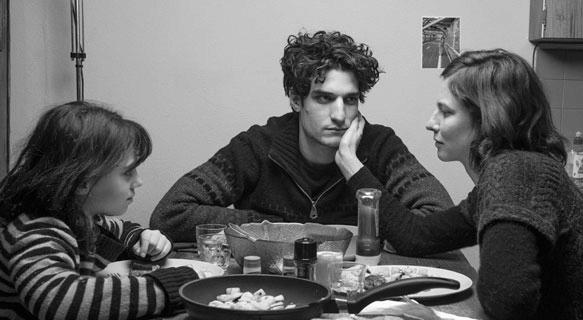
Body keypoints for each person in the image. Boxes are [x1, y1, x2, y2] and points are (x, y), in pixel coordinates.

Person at [379, 49, 583, 319]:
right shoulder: (513, 174)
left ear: (487, 119)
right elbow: (416, 237)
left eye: (445, 112)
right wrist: (353, 162)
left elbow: (507, 301)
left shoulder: (517, 174)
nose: (431, 123)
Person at [150, 30, 453, 241]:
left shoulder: (379, 145)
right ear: (296, 100)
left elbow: (441, 223)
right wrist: (282, 229)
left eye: (350, 100)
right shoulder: (258, 146)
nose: (340, 114)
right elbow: (170, 214)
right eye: (324, 98)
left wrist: (356, 171)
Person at [0, 101, 204, 319]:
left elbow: (120, 230)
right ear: (82, 182)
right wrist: (168, 287)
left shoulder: (86, 218)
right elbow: (59, 302)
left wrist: (141, 239)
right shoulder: (38, 230)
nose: (139, 181)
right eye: (128, 172)